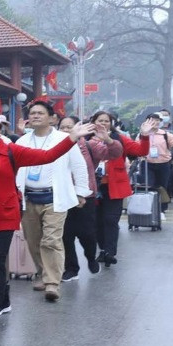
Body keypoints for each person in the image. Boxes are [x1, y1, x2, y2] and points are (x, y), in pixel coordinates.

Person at [0, 109, 92, 327]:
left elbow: (47, 156)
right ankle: (3, 300)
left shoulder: (11, 150)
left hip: (3, 215)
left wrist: (71, 138)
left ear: (0, 128)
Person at [14, 101, 91, 301]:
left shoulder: (64, 139)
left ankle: (52, 283)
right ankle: (42, 272)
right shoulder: (22, 141)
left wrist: (81, 192)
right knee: (33, 241)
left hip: (54, 198)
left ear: (51, 118)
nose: (36, 116)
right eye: (32, 113)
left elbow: (79, 167)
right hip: (29, 197)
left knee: (51, 240)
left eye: (40, 113)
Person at [57, 115, 121, 282]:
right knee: (65, 235)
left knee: (87, 234)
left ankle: (91, 258)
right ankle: (71, 268)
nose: (66, 130)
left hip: (85, 197)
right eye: (62, 127)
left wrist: (108, 139)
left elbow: (114, 153)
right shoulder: (54, 146)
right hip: (62, 196)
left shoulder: (89, 145)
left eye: (69, 126)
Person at [91, 111, 152, 266]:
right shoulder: (86, 138)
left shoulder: (119, 138)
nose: (103, 123)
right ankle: (103, 249)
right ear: (93, 122)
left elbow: (141, 151)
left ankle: (110, 252)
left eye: (106, 121)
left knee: (110, 220)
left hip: (114, 186)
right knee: (97, 222)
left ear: (111, 123)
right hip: (92, 187)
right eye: (100, 120)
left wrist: (144, 135)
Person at [143, 111, 173, 218]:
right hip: (147, 164)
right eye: (152, 120)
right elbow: (137, 147)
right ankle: (150, 209)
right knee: (149, 186)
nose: (155, 122)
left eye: (157, 120)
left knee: (162, 187)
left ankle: (162, 210)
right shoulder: (142, 134)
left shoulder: (165, 134)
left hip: (163, 164)